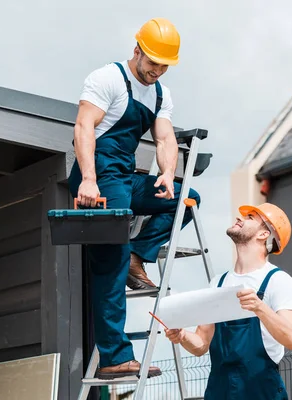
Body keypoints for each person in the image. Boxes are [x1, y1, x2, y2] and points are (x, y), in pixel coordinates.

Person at [68, 17, 201, 379]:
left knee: (186, 200)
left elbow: (165, 139)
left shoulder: (160, 94)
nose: (157, 70)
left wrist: (166, 175)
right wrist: (90, 181)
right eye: (153, 61)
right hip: (98, 180)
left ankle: (139, 257)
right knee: (110, 262)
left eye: (164, 65)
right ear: (137, 50)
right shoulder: (108, 78)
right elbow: (83, 127)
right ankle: (115, 357)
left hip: (126, 178)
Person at [165, 203, 292, 399]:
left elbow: (291, 338)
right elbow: (201, 344)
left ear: (263, 234)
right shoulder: (218, 283)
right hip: (221, 392)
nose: (239, 218)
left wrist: (260, 307)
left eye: (250, 218)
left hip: (261, 392)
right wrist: (183, 335)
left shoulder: (278, 280)